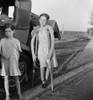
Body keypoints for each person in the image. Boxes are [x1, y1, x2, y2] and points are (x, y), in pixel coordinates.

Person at [31, 13, 58, 88]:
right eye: (41, 20)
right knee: (42, 65)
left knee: (49, 65)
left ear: (47, 21)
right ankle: (43, 80)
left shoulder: (49, 28)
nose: (42, 22)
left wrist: (50, 52)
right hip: (41, 49)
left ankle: (45, 79)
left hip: (49, 48)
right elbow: (32, 42)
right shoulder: (36, 28)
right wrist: (33, 54)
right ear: (39, 20)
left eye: (44, 20)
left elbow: (52, 41)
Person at [0, 23, 23, 100]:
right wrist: (3, 56)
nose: (7, 33)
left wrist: (17, 62)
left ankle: (19, 93)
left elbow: (18, 52)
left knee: (16, 78)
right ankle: (7, 95)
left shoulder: (16, 41)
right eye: (6, 31)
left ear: (13, 31)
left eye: (9, 31)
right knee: (6, 78)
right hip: (5, 62)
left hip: (14, 62)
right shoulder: (2, 41)